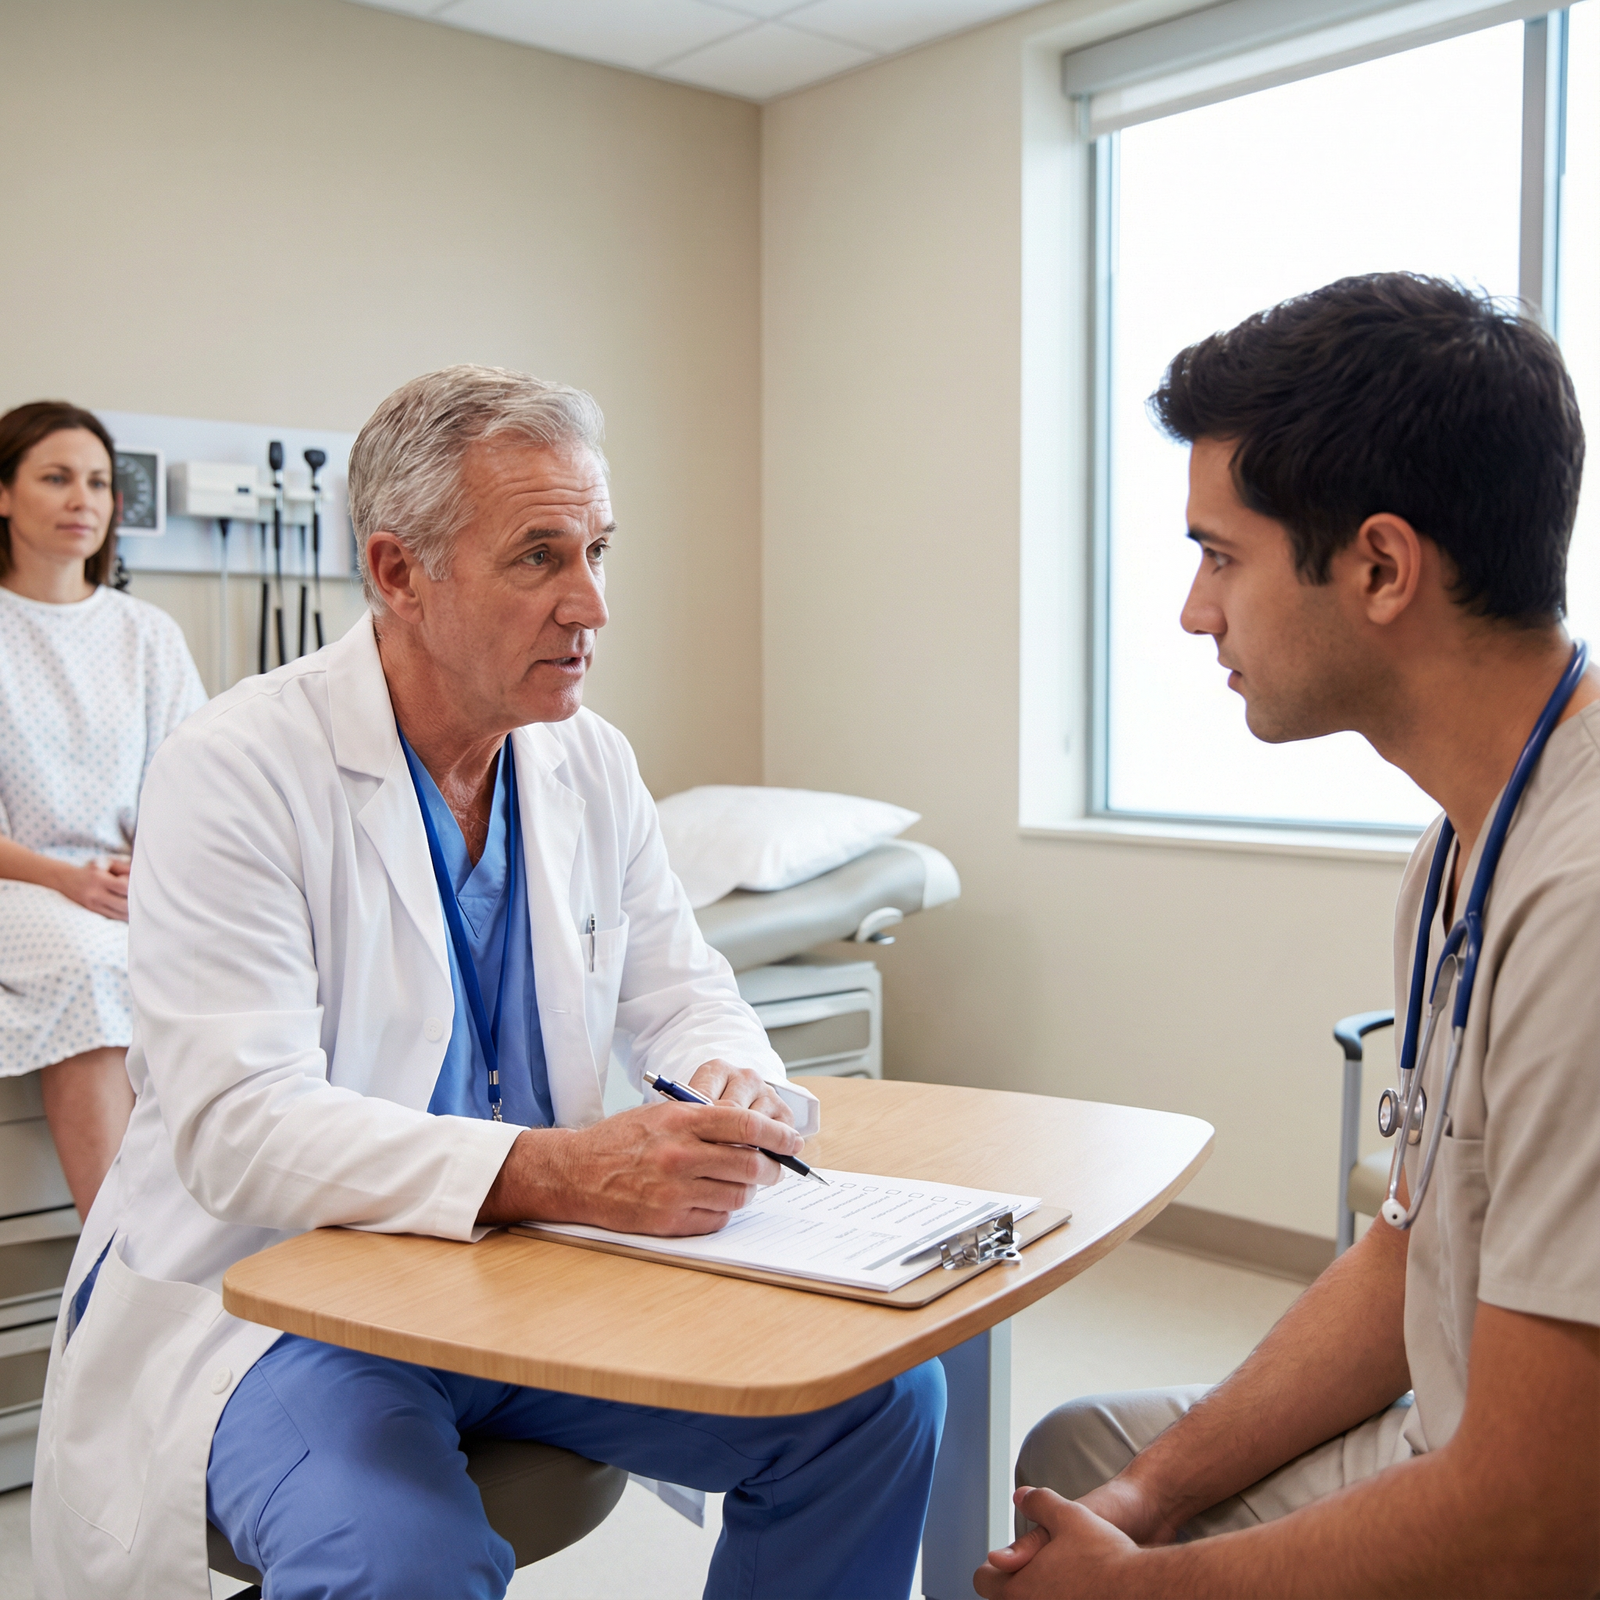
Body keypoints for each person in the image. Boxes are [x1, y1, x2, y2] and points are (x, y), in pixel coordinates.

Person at [32, 365, 945, 1600]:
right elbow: (237, 1127)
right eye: (539, 557)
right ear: (399, 571)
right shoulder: (236, 769)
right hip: (287, 1303)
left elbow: (684, 987)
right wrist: (561, 1171)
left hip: (532, 1276)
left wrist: (732, 1077)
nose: (592, 604)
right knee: (401, 1556)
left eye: (599, 550)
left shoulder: (589, 761)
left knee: (878, 1399)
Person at [978, 275, 1600, 1600]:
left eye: (1220, 556)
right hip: (1451, 1445)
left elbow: (1542, 1518)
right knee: (1084, 1461)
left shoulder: (1583, 904)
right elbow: (1409, 1252)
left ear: (1380, 567)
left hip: (1537, 1524)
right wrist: (1144, 1501)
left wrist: (1133, 1588)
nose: (1194, 612)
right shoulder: (1462, 848)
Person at [0, 401, 204, 1219]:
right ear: (4, 494)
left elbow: (192, 787)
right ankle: (116, 1252)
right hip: (23, 884)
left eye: (97, 482)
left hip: (129, 882)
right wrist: (68, 879)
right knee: (94, 962)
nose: (83, 499)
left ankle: (217, 1241)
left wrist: (145, 869)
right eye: (56, 478)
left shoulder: (146, 635)